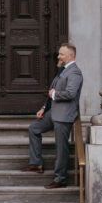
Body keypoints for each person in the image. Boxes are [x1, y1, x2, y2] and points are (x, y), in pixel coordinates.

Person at [20, 42, 83, 189]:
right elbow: (52, 91)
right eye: (59, 53)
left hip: (64, 115)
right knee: (34, 129)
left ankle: (60, 179)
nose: (58, 56)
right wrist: (43, 107)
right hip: (52, 112)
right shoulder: (63, 70)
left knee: (61, 148)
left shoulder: (75, 72)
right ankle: (36, 163)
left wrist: (55, 94)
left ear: (70, 56)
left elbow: (70, 93)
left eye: (61, 54)